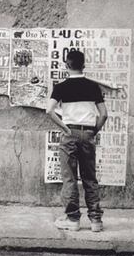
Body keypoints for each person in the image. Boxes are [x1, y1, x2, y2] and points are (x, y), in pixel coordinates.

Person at [46, 50, 108, 232]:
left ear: (67, 65)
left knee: (70, 178)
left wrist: (65, 128)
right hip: (88, 133)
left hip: (70, 134)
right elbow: (104, 114)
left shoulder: (61, 87)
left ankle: (73, 220)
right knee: (90, 178)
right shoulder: (93, 87)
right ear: (84, 66)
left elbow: (49, 110)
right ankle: (96, 221)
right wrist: (93, 131)